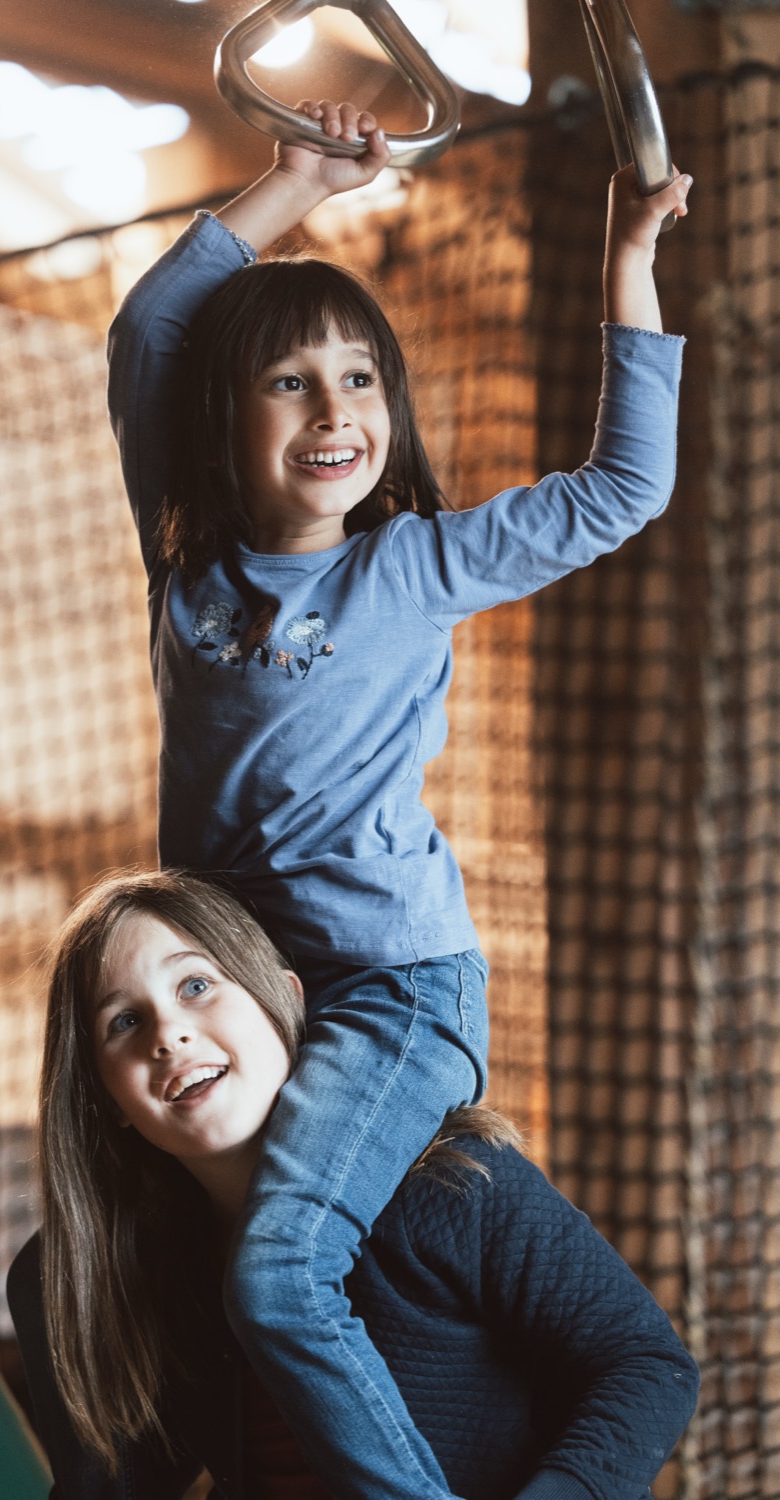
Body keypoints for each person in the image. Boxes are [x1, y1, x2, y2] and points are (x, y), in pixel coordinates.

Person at [105, 97, 693, 1500]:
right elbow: (147, 338)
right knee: (154, 1259)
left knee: (287, 1275)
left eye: (362, 382)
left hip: (392, 989)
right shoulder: (187, 576)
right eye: (291, 383)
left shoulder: (410, 568)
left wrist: (629, 256)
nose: (335, 411)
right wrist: (293, 182)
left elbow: (626, 484)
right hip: (251, 994)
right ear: (223, 419)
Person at [8, 870, 700, 1500]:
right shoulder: (149, 1271)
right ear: (107, 1104)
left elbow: (645, 1366)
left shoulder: (447, 1180)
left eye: (196, 985)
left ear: (285, 999)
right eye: (123, 1022)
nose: (168, 1034)